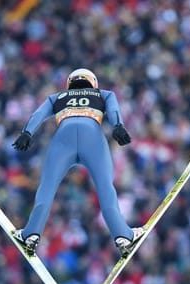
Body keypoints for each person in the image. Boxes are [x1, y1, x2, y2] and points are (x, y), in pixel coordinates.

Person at [12, 68, 144, 258]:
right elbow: (114, 109)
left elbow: (38, 114)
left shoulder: (57, 97)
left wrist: (27, 133)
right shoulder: (103, 94)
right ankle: (123, 236)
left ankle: (31, 234)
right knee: (106, 188)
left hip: (63, 139)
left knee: (46, 188)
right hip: (92, 137)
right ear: (93, 82)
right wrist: (118, 126)